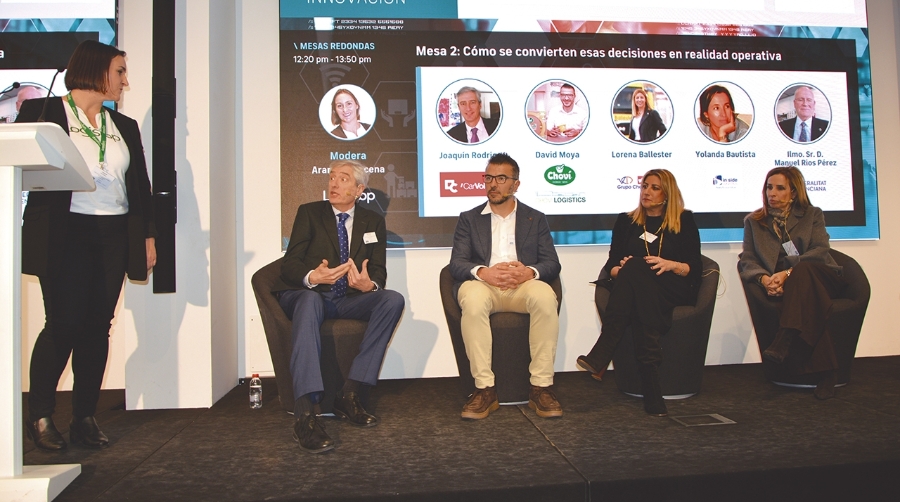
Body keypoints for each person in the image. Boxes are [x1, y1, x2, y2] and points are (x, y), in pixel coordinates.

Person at [17, 40, 156, 450]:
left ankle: (83, 417)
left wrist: (147, 236)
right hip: (66, 233)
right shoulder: (43, 112)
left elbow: (140, 188)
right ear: (96, 71)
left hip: (114, 234)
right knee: (63, 323)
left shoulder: (123, 125)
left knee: (98, 328)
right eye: (119, 72)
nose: (124, 81)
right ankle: (40, 415)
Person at [272, 160, 405, 453]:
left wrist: (368, 286)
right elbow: (290, 263)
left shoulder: (373, 221)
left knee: (392, 299)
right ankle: (305, 412)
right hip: (310, 294)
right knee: (308, 300)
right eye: (332, 177)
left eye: (343, 179)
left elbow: (379, 271)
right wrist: (311, 276)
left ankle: (350, 393)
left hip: (347, 299)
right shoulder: (310, 213)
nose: (334, 183)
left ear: (359, 189)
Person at [576, 169, 701, 416]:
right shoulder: (626, 221)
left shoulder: (684, 221)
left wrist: (671, 264)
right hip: (640, 290)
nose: (647, 192)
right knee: (635, 274)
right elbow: (611, 265)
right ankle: (651, 384)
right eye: (644, 186)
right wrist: (620, 271)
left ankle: (605, 347)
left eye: (655, 187)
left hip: (672, 286)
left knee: (635, 270)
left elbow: (693, 269)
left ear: (667, 193)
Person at [449, 153, 563, 420]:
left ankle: (541, 387)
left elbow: (552, 263)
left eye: (501, 178)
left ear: (515, 184)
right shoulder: (469, 218)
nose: (493, 184)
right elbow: (457, 264)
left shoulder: (535, 218)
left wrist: (529, 272)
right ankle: (484, 389)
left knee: (546, 297)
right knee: (473, 301)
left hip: (520, 286)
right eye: (488, 177)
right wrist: (484, 273)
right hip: (484, 285)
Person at [738, 167, 846, 400]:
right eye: (769, 187)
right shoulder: (754, 222)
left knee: (803, 271)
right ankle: (829, 372)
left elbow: (820, 250)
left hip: (821, 276)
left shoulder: (812, 214)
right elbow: (748, 258)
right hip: (788, 285)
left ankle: (785, 335)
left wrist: (788, 272)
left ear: (794, 193)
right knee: (812, 305)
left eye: (779, 188)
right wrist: (764, 279)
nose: (771, 193)